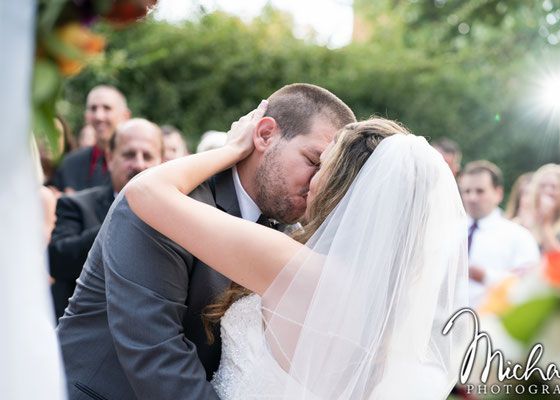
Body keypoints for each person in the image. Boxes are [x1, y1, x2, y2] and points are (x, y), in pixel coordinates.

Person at [126, 107, 469, 399]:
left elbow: (145, 190)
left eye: (322, 166)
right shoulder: (393, 305)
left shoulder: (294, 267)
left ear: (344, 187)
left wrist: (231, 149)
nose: (311, 180)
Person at [56, 83, 357, 400]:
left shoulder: (289, 233)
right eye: (313, 161)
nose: (317, 183)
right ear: (265, 134)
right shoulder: (168, 204)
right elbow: (155, 353)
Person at [49, 119, 163, 321]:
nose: (138, 164)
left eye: (147, 156)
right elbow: (57, 261)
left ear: (162, 161)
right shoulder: (76, 205)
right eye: (129, 155)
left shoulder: (175, 214)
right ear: (110, 158)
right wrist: (122, 218)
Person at [458, 160, 540, 307]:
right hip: (445, 324)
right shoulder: (450, 231)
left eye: (480, 191)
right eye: (467, 191)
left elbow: (529, 287)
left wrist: (485, 276)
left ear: (498, 193)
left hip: (491, 324)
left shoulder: (519, 236)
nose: (472, 198)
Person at [52, 85, 131, 192]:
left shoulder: (137, 163)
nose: (98, 116)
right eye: (93, 109)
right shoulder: (69, 164)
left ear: (125, 116)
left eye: (107, 108)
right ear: (86, 117)